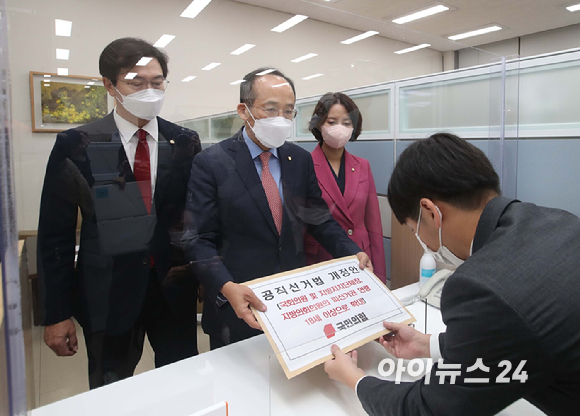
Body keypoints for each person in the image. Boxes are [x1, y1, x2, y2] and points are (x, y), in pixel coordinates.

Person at [323, 133, 580, 415]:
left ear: (430, 212)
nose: (420, 240)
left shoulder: (481, 288)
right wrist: (428, 344)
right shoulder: (560, 220)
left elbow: (427, 409)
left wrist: (354, 379)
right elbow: (512, 335)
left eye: (413, 229)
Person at [38, 37, 201, 389]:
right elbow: (56, 234)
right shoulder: (79, 143)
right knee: (109, 388)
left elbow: (194, 219)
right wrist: (56, 313)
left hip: (173, 289)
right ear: (110, 85)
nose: (149, 90)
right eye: (136, 82)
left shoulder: (184, 141)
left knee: (183, 385)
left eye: (157, 82)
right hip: (107, 292)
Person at [185, 68, 373, 349]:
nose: (281, 119)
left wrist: (351, 251)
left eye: (288, 112)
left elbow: (319, 220)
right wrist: (225, 286)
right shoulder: (211, 162)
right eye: (270, 109)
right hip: (238, 304)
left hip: (292, 303)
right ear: (243, 110)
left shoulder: (298, 160)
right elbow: (198, 240)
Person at [304, 92, 386, 283]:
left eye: (347, 123)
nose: (339, 128)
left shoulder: (363, 165)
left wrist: (380, 275)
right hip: (321, 261)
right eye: (332, 122)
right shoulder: (304, 165)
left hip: (361, 261)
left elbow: (373, 224)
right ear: (319, 124)